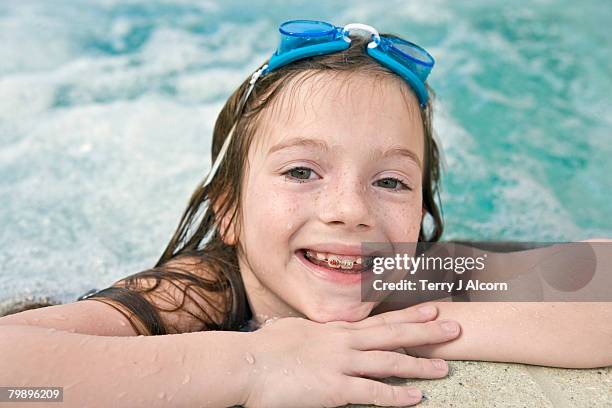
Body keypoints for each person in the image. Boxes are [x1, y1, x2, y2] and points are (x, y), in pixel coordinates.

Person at [1, 20, 610, 408]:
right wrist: (251, 364)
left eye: (391, 181)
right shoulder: (200, 290)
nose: (351, 211)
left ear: (420, 218)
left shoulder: (402, 271)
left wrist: (390, 336)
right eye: (301, 172)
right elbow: (15, 379)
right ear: (231, 213)